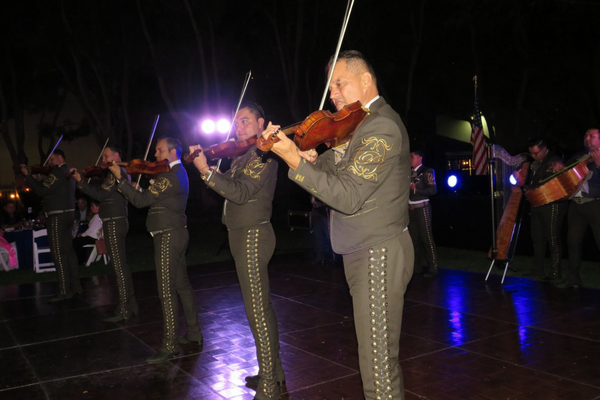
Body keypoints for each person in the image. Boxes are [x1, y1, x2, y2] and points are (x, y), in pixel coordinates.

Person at [262, 50, 413, 400]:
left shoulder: (381, 126)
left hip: (377, 251)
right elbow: (332, 172)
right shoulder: (355, 127)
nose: (333, 95)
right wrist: (306, 158)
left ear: (366, 80)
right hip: (363, 248)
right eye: (331, 88)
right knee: (375, 361)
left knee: (377, 369)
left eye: (340, 84)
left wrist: (293, 160)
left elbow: (348, 196)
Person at [189, 101, 286, 400]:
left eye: (245, 121)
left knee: (258, 309)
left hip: (253, 234)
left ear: (261, 124)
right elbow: (230, 186)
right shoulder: (242, 156)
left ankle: (269, 385)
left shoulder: (262, 155)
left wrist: (205, 171)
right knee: (258, 307)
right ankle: (274, 373)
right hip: (240, 234)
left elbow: (240, 193)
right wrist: (213, 171)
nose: (238, 127)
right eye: (237, 122)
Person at [107, 137, 202, 364]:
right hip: (177, 233)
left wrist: (120, 179)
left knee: (166, 291)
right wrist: (138, 188)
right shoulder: (176, 174)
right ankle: (194, 333)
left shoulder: (169, 176)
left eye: (159, 151)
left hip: (168, 236)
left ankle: (170, 345)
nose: (155, 155)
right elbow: (155, 199)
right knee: (181, 285)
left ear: (172, 152)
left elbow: (140, 202)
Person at [72, 145, 139, 322]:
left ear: (116, 155)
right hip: (115, 221)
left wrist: (81, 182)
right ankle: (131, 305)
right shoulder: (115, 174)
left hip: (115, 222)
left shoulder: (117, 173)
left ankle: (124, 309)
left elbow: (100, 195)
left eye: (106, 156)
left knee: (119, 267)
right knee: (121, 265)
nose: (103, 160)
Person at [21, 149, 82, 302]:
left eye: (52, 159)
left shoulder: (57, 173)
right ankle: (76, 287)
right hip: (69, 215)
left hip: (57, 217)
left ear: (60, 157)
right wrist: (38, 179)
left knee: (57, 253)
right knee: (69, 251)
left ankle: (64, 291)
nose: (50, 162)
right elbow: (53, 190)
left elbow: (41, 191)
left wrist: (28, 176)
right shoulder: (69, 172)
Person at [555, 128, 600, 288]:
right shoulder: (579, 156)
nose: (587, 139)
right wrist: (560, 169)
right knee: (573, 242)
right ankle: (573, 278)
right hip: (576, 205)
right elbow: (566, 173)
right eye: (586, 136)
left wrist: (599, 164)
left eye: (592, 136)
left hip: (595, 204)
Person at [525, 138, 568, 280]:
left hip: (552, 204)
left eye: (536, 153)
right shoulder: (536, 163)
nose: (533, 156)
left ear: (544, 149)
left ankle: (555, 272)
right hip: (537, 204)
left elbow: (549, 181)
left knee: (552, 238)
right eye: (531, 153)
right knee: (537, 238)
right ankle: (538, 270)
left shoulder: (554, 160)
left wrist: (530, 188)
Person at [408, 149, 438, 278]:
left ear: (420, 158)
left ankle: (433, 267)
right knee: (413, 240)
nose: (410, 160)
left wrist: (416, 190)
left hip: (422, 209)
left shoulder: (427, 171)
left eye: (412, 157)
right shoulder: (408, 173)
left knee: (426, 239)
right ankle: (416, 267)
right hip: (411, 209)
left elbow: (433, 190)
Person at [72, 200, 102, 265]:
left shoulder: (98, 216)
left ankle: (78, 261)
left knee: (76, 241)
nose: (91, 208)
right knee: (79, 241)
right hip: (96, 237)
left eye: (92, 206)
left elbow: (91, 230)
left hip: (94, 238)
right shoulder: (100, 216)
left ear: (98, 207)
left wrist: (82, 235)